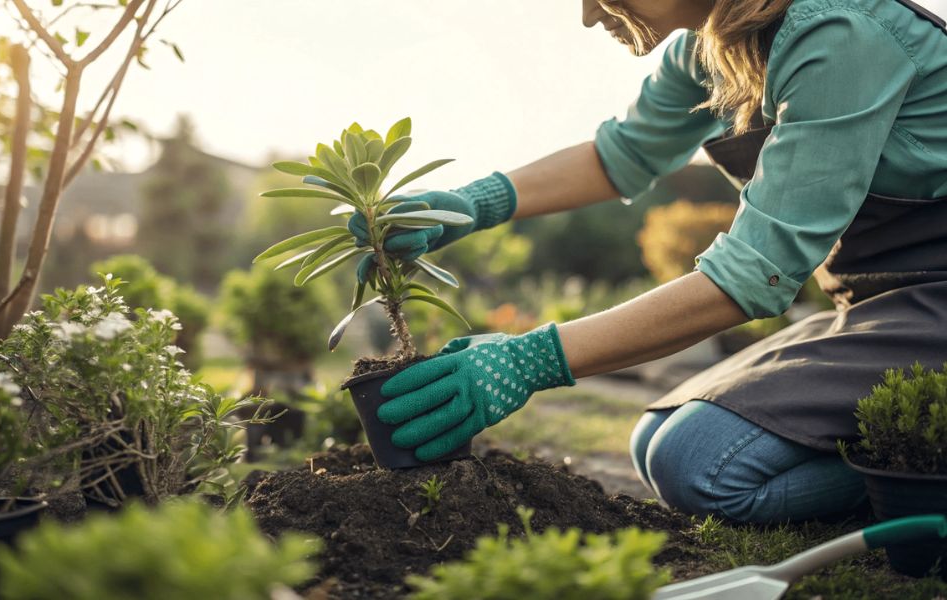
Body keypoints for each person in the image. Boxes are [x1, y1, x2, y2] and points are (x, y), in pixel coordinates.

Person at [348, 0, 947, 524]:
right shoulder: (710, 46)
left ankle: (920, 484)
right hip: (878, 305)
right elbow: (624, 155)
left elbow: (750, 275)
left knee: (699, 466)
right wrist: (471, 205)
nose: (588, 13)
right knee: (657, 434)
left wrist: (529, 360)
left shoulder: (840, 33)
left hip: (935, 300)